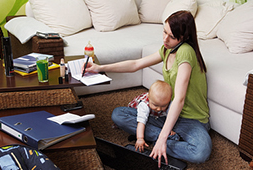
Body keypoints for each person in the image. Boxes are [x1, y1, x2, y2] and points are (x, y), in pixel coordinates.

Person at [83, 10, 212, 167]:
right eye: (164, 32)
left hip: (191, 119)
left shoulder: (186, 52)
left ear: (184, 37)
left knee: (201, 152)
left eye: (171, 36)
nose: (165, 39)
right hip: (166, 114)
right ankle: (168, 139)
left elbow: (179, 99)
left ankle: (159, 140)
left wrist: (162, 138)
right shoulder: (167, 49)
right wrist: (100, 67)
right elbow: (136, 64)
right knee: (118, 114)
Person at [128, 80, 177, 153]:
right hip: (138, 114)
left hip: (156, 117)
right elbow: (141, 123)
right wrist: (140, 138)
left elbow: (170, 118)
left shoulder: (169, 103)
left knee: (165, 119)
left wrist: (170, 129)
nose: (159, 109)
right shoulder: (144, 105)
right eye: (155, 105)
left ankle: (152, 135)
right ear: (148, 97)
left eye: (163, 106)